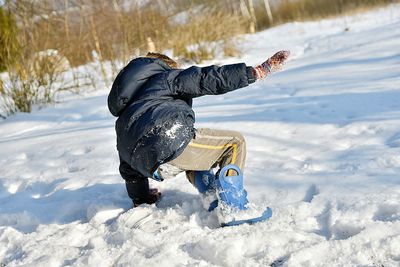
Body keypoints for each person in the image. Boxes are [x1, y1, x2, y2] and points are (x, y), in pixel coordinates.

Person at [107, 51, 290, 212]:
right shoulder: (164, 78)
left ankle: (213, 197)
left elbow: (127, 165)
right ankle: (234, 207)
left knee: (196, 155)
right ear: (162, 65)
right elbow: (204, 78)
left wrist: (141, 197)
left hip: (149, 166)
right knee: (235, 143)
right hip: (167, 137)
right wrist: (256, 72)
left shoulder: (125, 115)